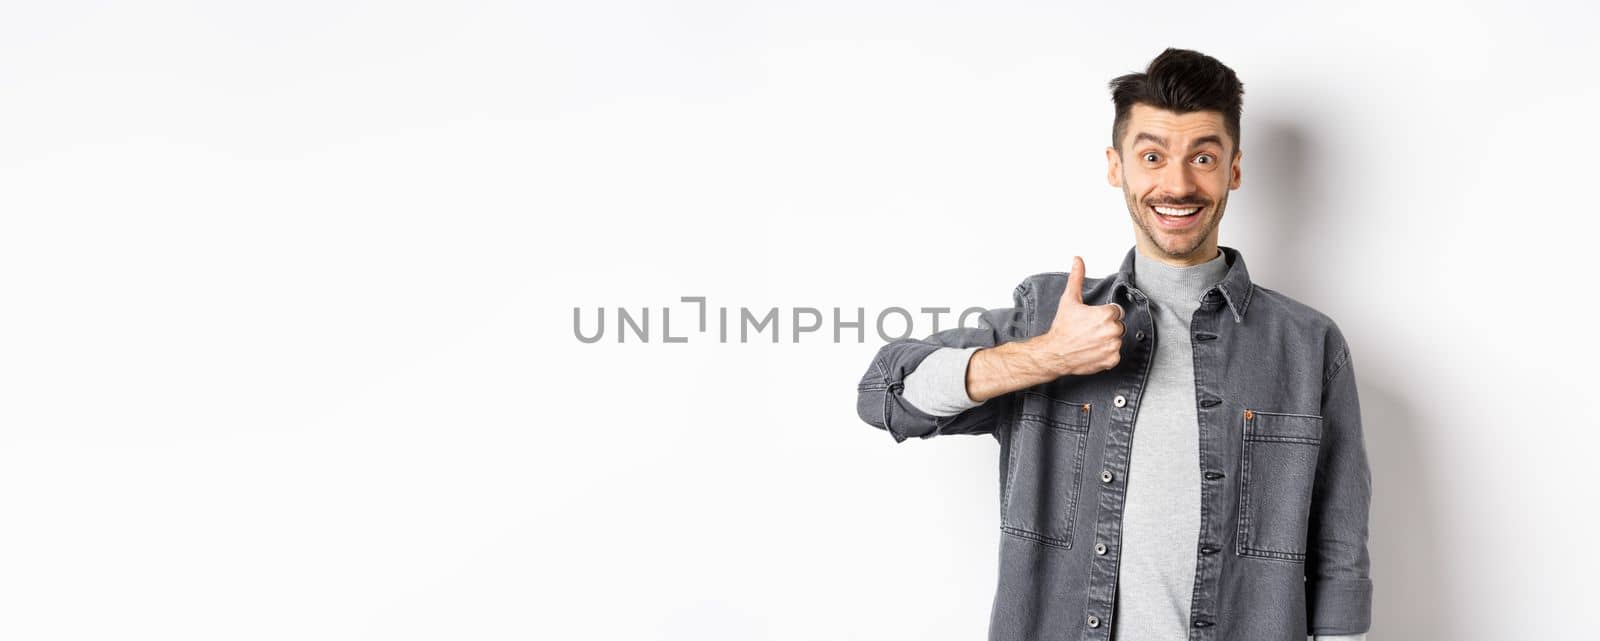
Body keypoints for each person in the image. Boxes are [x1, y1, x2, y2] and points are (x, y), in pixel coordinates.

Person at [853, 47, 1372, 641]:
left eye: (1202, 157)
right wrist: (1047, 356)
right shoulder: (1050, 317)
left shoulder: (1308, 346)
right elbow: (884, 395)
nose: (1177, 184)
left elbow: (1339, 554)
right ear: (1116, 165)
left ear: (1233, 169)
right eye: (1152, 156)